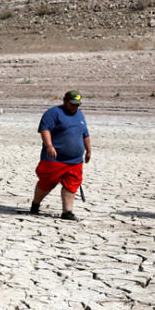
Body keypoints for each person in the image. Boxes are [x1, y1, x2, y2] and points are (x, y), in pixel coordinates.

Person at [30, 90, 91, 220]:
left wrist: (89, 150)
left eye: (77, 105)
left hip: (75, 161)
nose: (75, 107)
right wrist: (49, 146)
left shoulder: (80, 115)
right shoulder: (53, 113)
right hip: (54, 159)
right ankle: (35, 204)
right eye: (72, 104)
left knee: (72, 184)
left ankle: (67, 212)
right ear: (65, 101)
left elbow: (85, 134)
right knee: (47, 183)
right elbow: (44, 129)